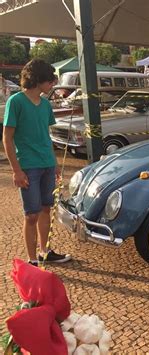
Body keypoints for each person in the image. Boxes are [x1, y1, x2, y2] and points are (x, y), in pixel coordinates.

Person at [3, 59, 72, 266]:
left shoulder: (45, 105)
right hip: (28, 166)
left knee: (45, 209)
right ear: (39, 79)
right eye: (50, 80)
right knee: (31, 214)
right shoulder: (15, 102)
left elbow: (46, 136)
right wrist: (16, 171)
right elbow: (7, 138)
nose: (52, 84)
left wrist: (55, 164)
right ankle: (32, 259)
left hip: (47, 165)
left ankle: (46, 251)